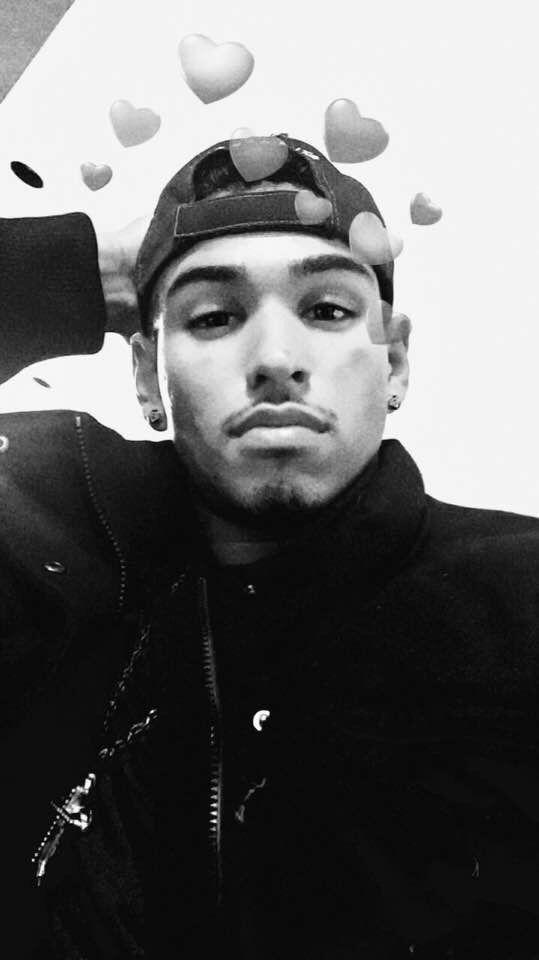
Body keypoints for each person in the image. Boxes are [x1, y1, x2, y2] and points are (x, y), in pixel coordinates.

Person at [1, 135, 538, 960]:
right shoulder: (45, 542)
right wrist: (72, 273)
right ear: (146, 378)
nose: (276, 361)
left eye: (326, 311)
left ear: (395, 363)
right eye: (214, 317)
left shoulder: (518, 595)